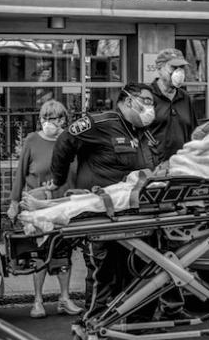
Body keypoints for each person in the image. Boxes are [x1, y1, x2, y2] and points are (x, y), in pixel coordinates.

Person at [48, 83, 160, 323]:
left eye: (153, 103)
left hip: (134, 215)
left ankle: (135, 323)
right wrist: (58, 180)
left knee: (135, 269)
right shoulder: (101, 123)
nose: (151, 107)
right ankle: (95, 322)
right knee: (104, 271)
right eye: (147, 101)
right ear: (129, 100)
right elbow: (65, 141)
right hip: (103, 216)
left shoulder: (143, 133)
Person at [7, 99, 82, 319]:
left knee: (63, 252)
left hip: (63, 205)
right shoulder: (32, 140)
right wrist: (13, 203)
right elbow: (20, 173)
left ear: (63, 120)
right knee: (39, 253)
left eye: (55, 118)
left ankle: (65, 298)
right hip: (36, 205)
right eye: (46, 118)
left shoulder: (70, 141)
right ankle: (38, 300)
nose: (50, 122)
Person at [148, 48, 198, 161]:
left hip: (182, 167)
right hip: (155, 171)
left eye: (181, 68)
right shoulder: (146, 97)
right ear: (159, 69)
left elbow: (193, 133)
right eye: (173, 67)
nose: (178, 72)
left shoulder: (185, 98)